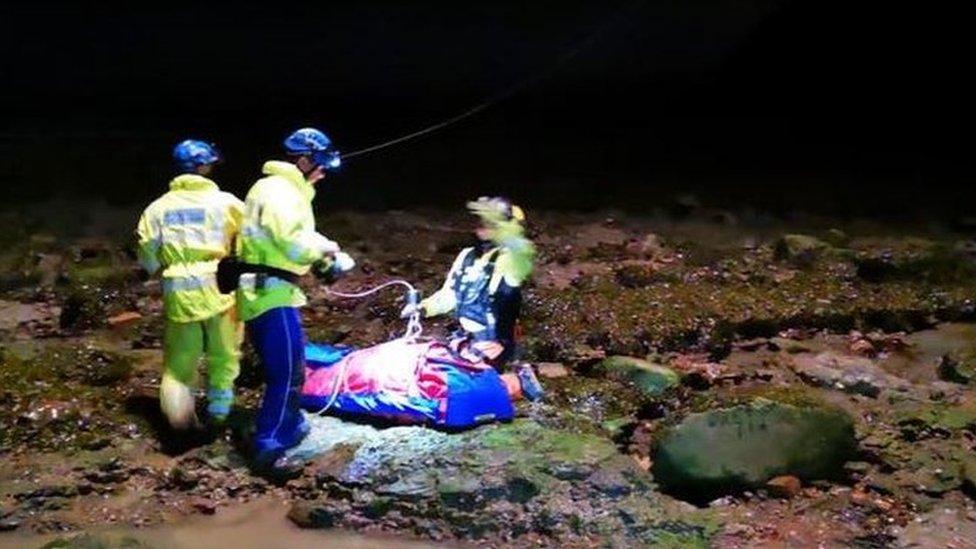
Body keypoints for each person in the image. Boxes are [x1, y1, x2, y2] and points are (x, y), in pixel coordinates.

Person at [236, 127, 354, 474]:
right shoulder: (280, 191)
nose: (323, 171)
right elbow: (291, 240)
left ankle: (287, 426)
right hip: (268, 291)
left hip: (271, 288)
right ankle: (267, 448)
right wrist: (327, 253)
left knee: (291, 364)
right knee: (285, 372)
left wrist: (324, 249)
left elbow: (294, 235)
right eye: (319, 164)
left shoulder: (281, 190)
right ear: (303, 161)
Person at [135, 140, 244, 431]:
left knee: (179, 365)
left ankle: (178, 424)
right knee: (224, 355)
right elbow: (247, 242)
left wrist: (153, 267)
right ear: (205, 167)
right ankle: (219, 415)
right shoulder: (227, 203)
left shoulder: (156, 209)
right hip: (220, 289)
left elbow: (147, 257)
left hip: (179, 293)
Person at [400, 197, 542, 399]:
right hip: (466, 338)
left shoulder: (511, 258)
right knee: (430, 367)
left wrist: (502, 342)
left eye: (490, 222)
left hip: (495, 341)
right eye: (480, 220)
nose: (482, 226)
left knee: (461, 388)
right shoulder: (466, 255)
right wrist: (422, 308)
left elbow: (521, 256)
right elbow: (449, 295)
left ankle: (517, 382)